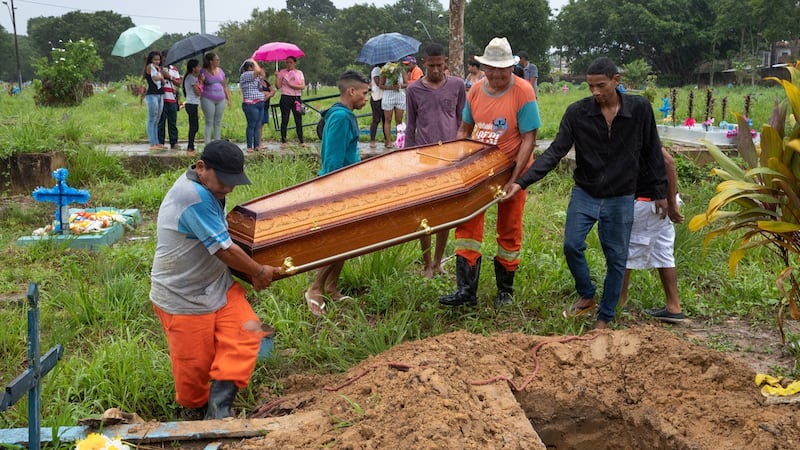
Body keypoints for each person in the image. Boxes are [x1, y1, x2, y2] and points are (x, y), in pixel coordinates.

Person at [505, 57, 668, 329]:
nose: (595, 92)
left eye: (600, 86)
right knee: (571, 245)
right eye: (590, 86)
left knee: (616, 257)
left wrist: (660, 191)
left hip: (621, 195)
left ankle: (605, 317)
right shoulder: (577, 113)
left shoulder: (639, 109)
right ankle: (587, 295)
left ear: (617, 81)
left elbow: (653, 150)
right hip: (586, 192)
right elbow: (556, 152)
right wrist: (521, 182)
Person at [150, 140, 279, 420]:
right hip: (183, 298)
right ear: (201, 168)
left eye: (234, 182)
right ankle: (197, 413)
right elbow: (223, 249)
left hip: (218, 288)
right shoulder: (192, 196)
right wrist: (257, 272)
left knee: (246, 335)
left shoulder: (210, 188)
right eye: (224, 181)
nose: (229, 188)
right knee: (194, 374)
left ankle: (219, 410)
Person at [439, 37, 541, 309]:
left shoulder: (523, 92)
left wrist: (516, 179)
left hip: (511, 166)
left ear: (511, 68)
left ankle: (505, 292)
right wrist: (460, 162)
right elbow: (464, 129)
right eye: (491, 69)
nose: (496, 74)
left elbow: (529, 137)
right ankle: (466, 291)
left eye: (502, 69)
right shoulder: (474, 91)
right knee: (468, 223)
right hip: (479, 169)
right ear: (483, 67)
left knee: (509, 228)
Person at [304, 70, 370, 316]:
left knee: (348, 237)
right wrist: (335, 190)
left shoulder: (345, 115)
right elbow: (332, 160)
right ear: (351, 91)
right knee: (341, 240)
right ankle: (315, 287)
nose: (366, 98)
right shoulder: (341, 118)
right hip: (337, 187)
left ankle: (331, 286)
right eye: (364, 93)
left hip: (348, 183)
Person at [405, 43, 466, 278]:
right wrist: (407, 157)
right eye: (431, 66)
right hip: (424, 158)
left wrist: (463, 151)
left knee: (446, 213)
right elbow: (410, 125)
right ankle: (426, 264)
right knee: (425, 213)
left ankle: (439, 261)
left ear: (446, 63)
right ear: (424, 64)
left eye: (440, 65)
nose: (436, 70)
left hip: (450, 157)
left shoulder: (457, 85)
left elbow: (463, 120)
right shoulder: (414, 90)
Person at [619, 148, 685, 322]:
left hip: (651, 203)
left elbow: (669, 162)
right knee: (663, 252)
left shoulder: (636, 130)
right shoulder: (638, 129)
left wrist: (670, 202)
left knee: (627, 251)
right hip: (659, 202)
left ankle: (619, 304)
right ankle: (674, 307)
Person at [200, 52, 232, 143]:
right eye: (216, 60)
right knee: (209, 121)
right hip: (207, 98)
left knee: (218, 122)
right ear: (211, 61)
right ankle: (207, 143)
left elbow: (225, 86)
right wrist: (201, 80)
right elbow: (200, 86)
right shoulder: (203, 72)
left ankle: (217, 142)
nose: (218, 61)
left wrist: (228, 99)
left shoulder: (220, 71)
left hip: (220, 98)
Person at [275, 56, 306, 145]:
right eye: (287, 62)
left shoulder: (299, 73)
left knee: (298, 118)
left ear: (295, 63)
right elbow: (278, 86)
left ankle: (301, 140)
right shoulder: (282, 72)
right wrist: (277, 77)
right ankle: (284, 139)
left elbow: (303, 86)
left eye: (291, 62)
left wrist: (292, 85)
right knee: (285, 118)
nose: (289, 64)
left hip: (296, 97)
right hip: (286, 97)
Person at [239, 59, 265, 152]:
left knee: (258, 125)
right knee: (252, 125)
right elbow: (258, 71)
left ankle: (257, 145)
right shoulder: (245, 75)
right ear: (249, 67)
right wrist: (254, 62)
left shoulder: (255, 76)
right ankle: (249, 146)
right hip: (251, 104)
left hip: (260, 102)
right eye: (253, 66)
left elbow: (261, 74)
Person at [378, 60, 407, 149]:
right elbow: (381, 85)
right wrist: (391, 87)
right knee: (388, 119)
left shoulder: (401, 69)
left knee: (399, 120)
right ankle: (388, 141)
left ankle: (399, 140)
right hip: (388, 95)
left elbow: (406, 83)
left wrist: (400, 86)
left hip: (400, 95)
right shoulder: (385, 70)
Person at [158, 50, 182, 150]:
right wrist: (162, 75)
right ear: (162, 58)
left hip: (172, 99)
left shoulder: (174, 69)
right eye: (165, 57)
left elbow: (179, 83)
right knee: (161, 122)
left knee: (172, 122)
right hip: (161, 99)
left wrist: (170, 77)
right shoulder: (157, 69)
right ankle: (160, 143)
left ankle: (174, 142)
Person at [143, 50, 165, 150]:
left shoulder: (158, 69)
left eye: (158, 60)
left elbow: (163, 81)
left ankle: (157, 142)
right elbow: (155, 78)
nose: (157, 61)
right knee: (152, 118)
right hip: (152, 94)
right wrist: (160, 77)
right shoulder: (150, 67)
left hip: (160, 93)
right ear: (151, 60)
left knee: (157, 119)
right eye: (155, 59)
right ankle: (152, 143)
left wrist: (161, 75)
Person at [182, 59, 202, 153]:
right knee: (194, 126)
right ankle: (190, 145)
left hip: (191, 104)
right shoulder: (192, 78)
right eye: (198, 66)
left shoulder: (189, 77)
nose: (200, 68)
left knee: (194, 126)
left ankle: (191, 144)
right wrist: (201, 83)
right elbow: (198, 93)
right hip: (192, 104)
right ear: (193, 68)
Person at [258, 72, 277, 150]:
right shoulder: (256, 83)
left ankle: (260, 141)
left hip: (266, 106)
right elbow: (258, 93)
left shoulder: (266, 82)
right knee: (259, 125)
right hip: (259, 105)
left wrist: (268, 94)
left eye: (263, 72)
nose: (262, 74)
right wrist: (266, 94)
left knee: (262, 124)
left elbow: (273, 91)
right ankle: (258, 143)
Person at [368, 63, 385, 149]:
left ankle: (386, 139)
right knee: (376, 119)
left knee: (385, 120)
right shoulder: (376, 70)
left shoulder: (382, 70)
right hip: (376, 97)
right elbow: (378, 83)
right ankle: (372, 140)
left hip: (383, 96)